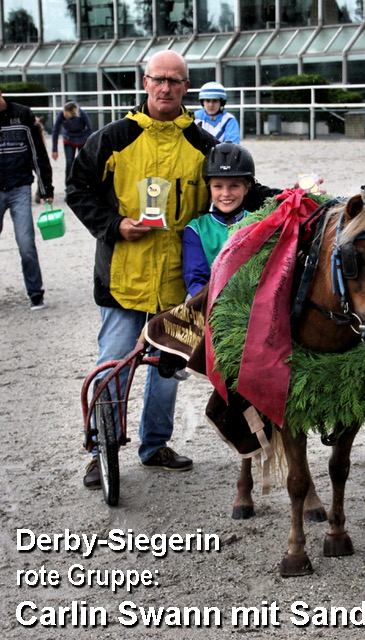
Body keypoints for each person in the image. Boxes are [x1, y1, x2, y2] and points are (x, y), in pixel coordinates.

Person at [67, 51, 274, 490]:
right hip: (123, 277)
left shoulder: (202, 144)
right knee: (112, 365)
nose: (166, 88)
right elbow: (77, 187)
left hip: (179, 283)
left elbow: (238, 186)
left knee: (166, 366)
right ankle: (99, 450)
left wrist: (295, 198)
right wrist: (113, 225)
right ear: (145, 83)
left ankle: (155, 445)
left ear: (186, 88)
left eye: (175, 82)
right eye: (158, 80)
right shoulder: (113, 138)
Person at [0, 90, 54, 310]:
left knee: (26, 244)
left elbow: (37, 152)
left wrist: (45, 188)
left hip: (20, 188)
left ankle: (35, 294)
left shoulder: (22, 115)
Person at [182, 142, 255, 297]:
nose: (226, 193)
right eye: (218, 186)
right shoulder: (196, 229)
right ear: (209, 188)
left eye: (234, 186)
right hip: (208, 300)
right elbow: (196, 280)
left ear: (247, 188)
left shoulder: (259, 223)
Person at [51, 101, 92, 187]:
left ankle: (84, 184)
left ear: (72, 112)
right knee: (69, 163)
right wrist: (54, 149)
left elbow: (89, 129)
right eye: (64, 112)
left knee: (82, 163)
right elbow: (55, 130)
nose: (64, 114)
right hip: (68, 139)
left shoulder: (82, 114)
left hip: (82, 139)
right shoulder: (61, 115)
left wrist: (89, 144)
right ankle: (69, 186)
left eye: (66, 112)